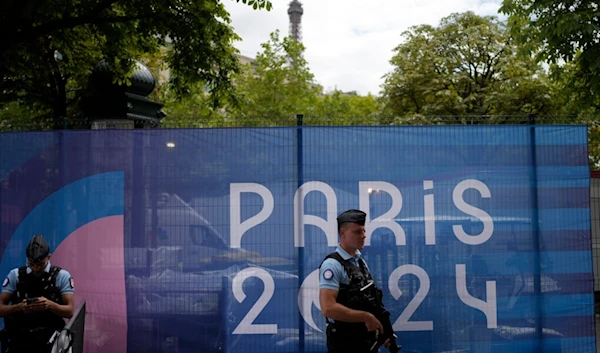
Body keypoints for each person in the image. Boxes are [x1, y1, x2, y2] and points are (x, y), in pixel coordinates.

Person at [319, 209, 394, 353]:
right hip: (345, 342)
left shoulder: (360, 263)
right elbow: (328, 307)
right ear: (343, 233)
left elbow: (369, 301)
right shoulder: (332, 265)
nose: (363, 236)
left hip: (365, 340)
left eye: (364, 231)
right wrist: (366, 317)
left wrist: (382, 329)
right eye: (357, 232)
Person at [0, 234, 74, 353]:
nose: (35, 268)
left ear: (48, 257)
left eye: (40, 264)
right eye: (31, 264)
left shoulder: (61, 276)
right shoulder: (16, 275)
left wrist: (49, 305)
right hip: (19, 339)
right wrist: (19, 307)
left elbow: (70, 311)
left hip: (50, 339)